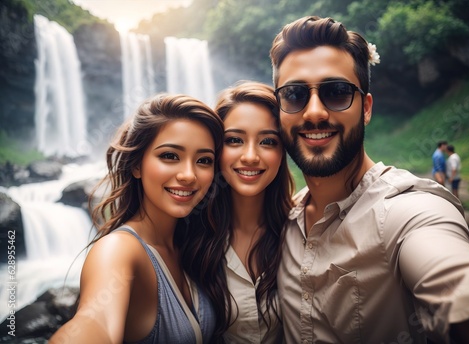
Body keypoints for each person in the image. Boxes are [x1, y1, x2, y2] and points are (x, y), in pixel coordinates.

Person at [270, 15, 469, 343]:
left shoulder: (406, 212)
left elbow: (464, 282)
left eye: (336, 92)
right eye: (294, 95)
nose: (314, 112)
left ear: (365, 108)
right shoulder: (282, 220)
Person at [50, 94, 226, 344]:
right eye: (170, 156)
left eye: (204, 161)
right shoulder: (119, 250)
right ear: (137, 166)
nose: (189, 175)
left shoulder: (193, 244)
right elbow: (94, 322)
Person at [211, 81, 294, 343]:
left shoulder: (302, 230)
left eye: (268, 141)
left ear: (282, 152)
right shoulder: (187, 236)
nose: (250, 156)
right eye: (234, 140)